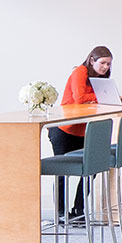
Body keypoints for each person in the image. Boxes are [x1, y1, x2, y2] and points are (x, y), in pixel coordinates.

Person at [48, 44, 113, 224]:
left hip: (83, 131)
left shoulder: (101, 79)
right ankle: (60, 212)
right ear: (92, 60)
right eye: (103, 63)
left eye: (108, 64)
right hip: (64, 129)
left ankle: (78, 210)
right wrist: (100, 96)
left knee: (91, 168)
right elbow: (79, 98)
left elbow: (94, 98)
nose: (106, 68)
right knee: (61, 171)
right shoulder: (80, 71)